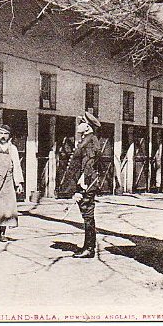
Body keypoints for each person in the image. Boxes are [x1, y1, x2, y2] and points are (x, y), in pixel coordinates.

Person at [60, 111, 103, 258]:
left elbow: (89, 163)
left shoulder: (90, 141)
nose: (79, 125)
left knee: (87, 214)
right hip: (84, 181)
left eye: (81, 122)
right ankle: (88, 246)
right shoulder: (87, 139)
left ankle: (89, 249)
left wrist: (83, 183)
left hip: (86, 183)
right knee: (86, 215)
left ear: (88, 127)